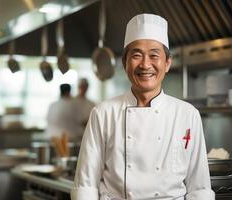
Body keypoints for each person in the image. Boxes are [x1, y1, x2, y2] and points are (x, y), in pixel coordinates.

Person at [71, 14, 214, 200]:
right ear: (125, 63)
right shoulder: (103, 113)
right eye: (136, 55)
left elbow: (199, 187)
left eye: (154, 55)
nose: (146, 65)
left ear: (168, 63)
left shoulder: (187, 115)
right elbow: (85, 185)